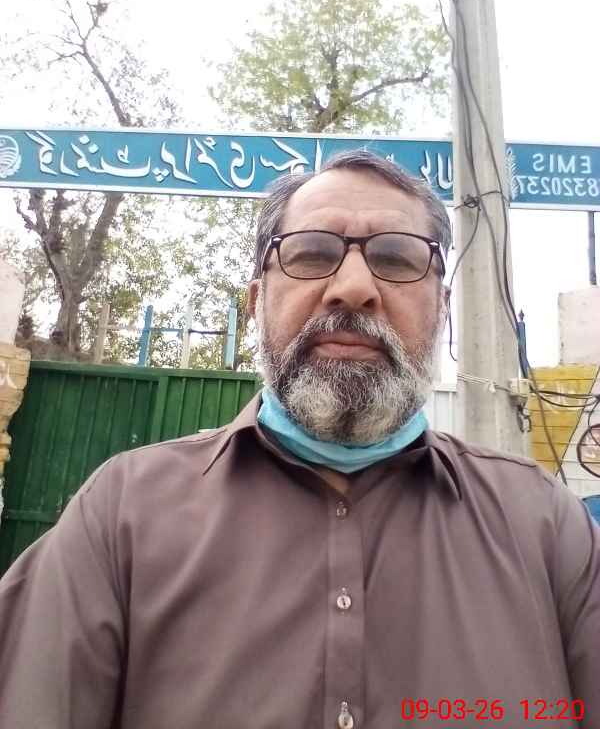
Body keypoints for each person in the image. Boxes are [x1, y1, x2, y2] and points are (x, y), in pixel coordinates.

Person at [0, 150, 598, 729]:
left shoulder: (546, 526)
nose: (354, 287)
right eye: (312, 254)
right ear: (256, 302)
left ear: (441, 309)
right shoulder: (122, 513)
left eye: (396, 259)